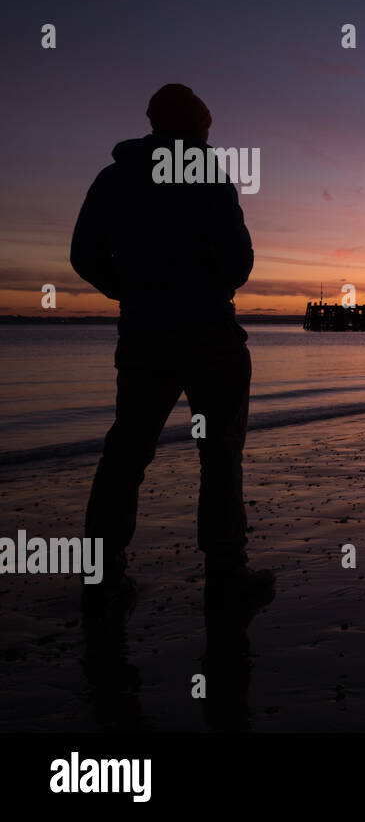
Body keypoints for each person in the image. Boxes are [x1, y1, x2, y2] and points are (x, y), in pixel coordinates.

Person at [71, 84, 273, 614]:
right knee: (220, 454)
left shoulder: (114, 180)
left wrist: (131, 290)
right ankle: (226, 574)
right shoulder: (209, 178)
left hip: (143, 336)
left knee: (127, 453)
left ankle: (102, 574)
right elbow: (237, 265)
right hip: (209, 333)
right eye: (207, 122)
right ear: (197, 125)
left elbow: (83, 254)